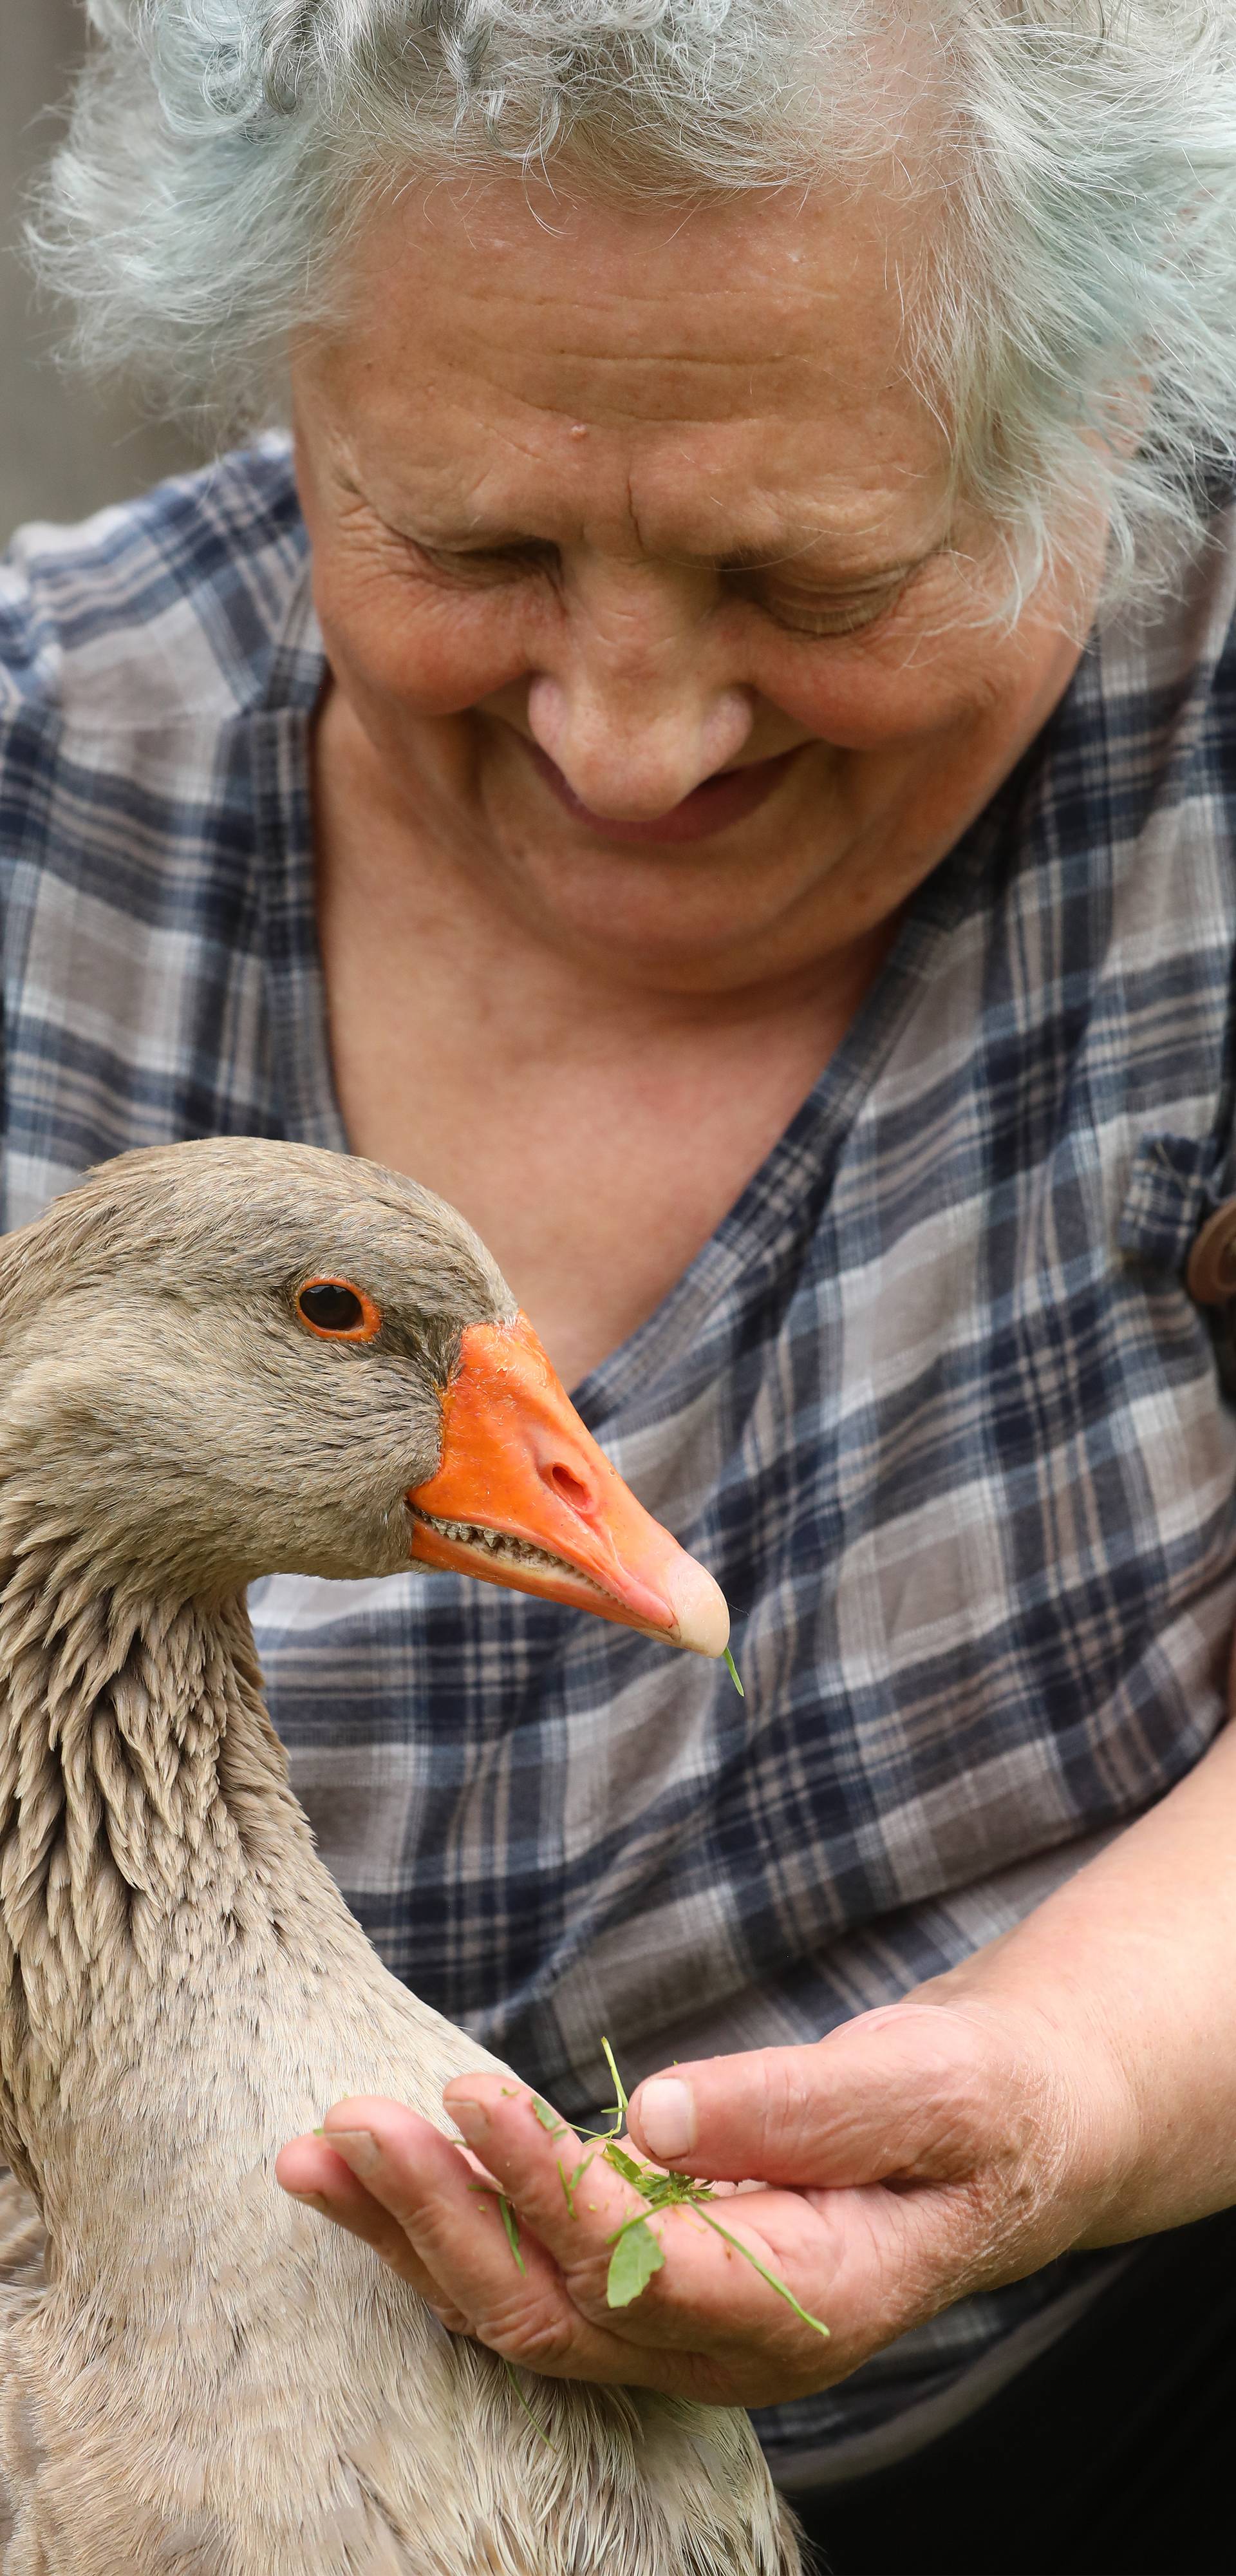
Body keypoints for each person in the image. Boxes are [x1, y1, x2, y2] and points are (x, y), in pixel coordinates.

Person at [6, 3, 1236, 2567]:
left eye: (806, 573)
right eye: (473, 544)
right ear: (291, 386)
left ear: (1116, 401)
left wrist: (1065, 2091)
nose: (634, 733)